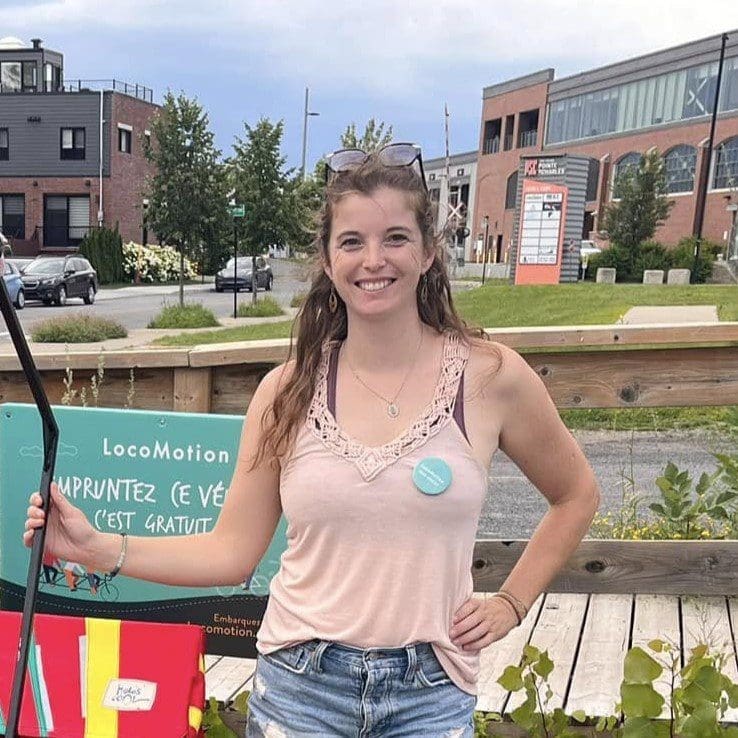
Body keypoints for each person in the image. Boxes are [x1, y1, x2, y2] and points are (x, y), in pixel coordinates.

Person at [24, 143, 601, 737]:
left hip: (430, 691)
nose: (373, 260)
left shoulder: (489, 377)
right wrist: (100, 549)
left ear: (429, 252)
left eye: (396, 237)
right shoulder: (287, 391)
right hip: (300, 688)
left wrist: (510, 602)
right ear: (327, 259)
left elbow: (576, 494)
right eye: (352, 241)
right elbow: (231, 551)